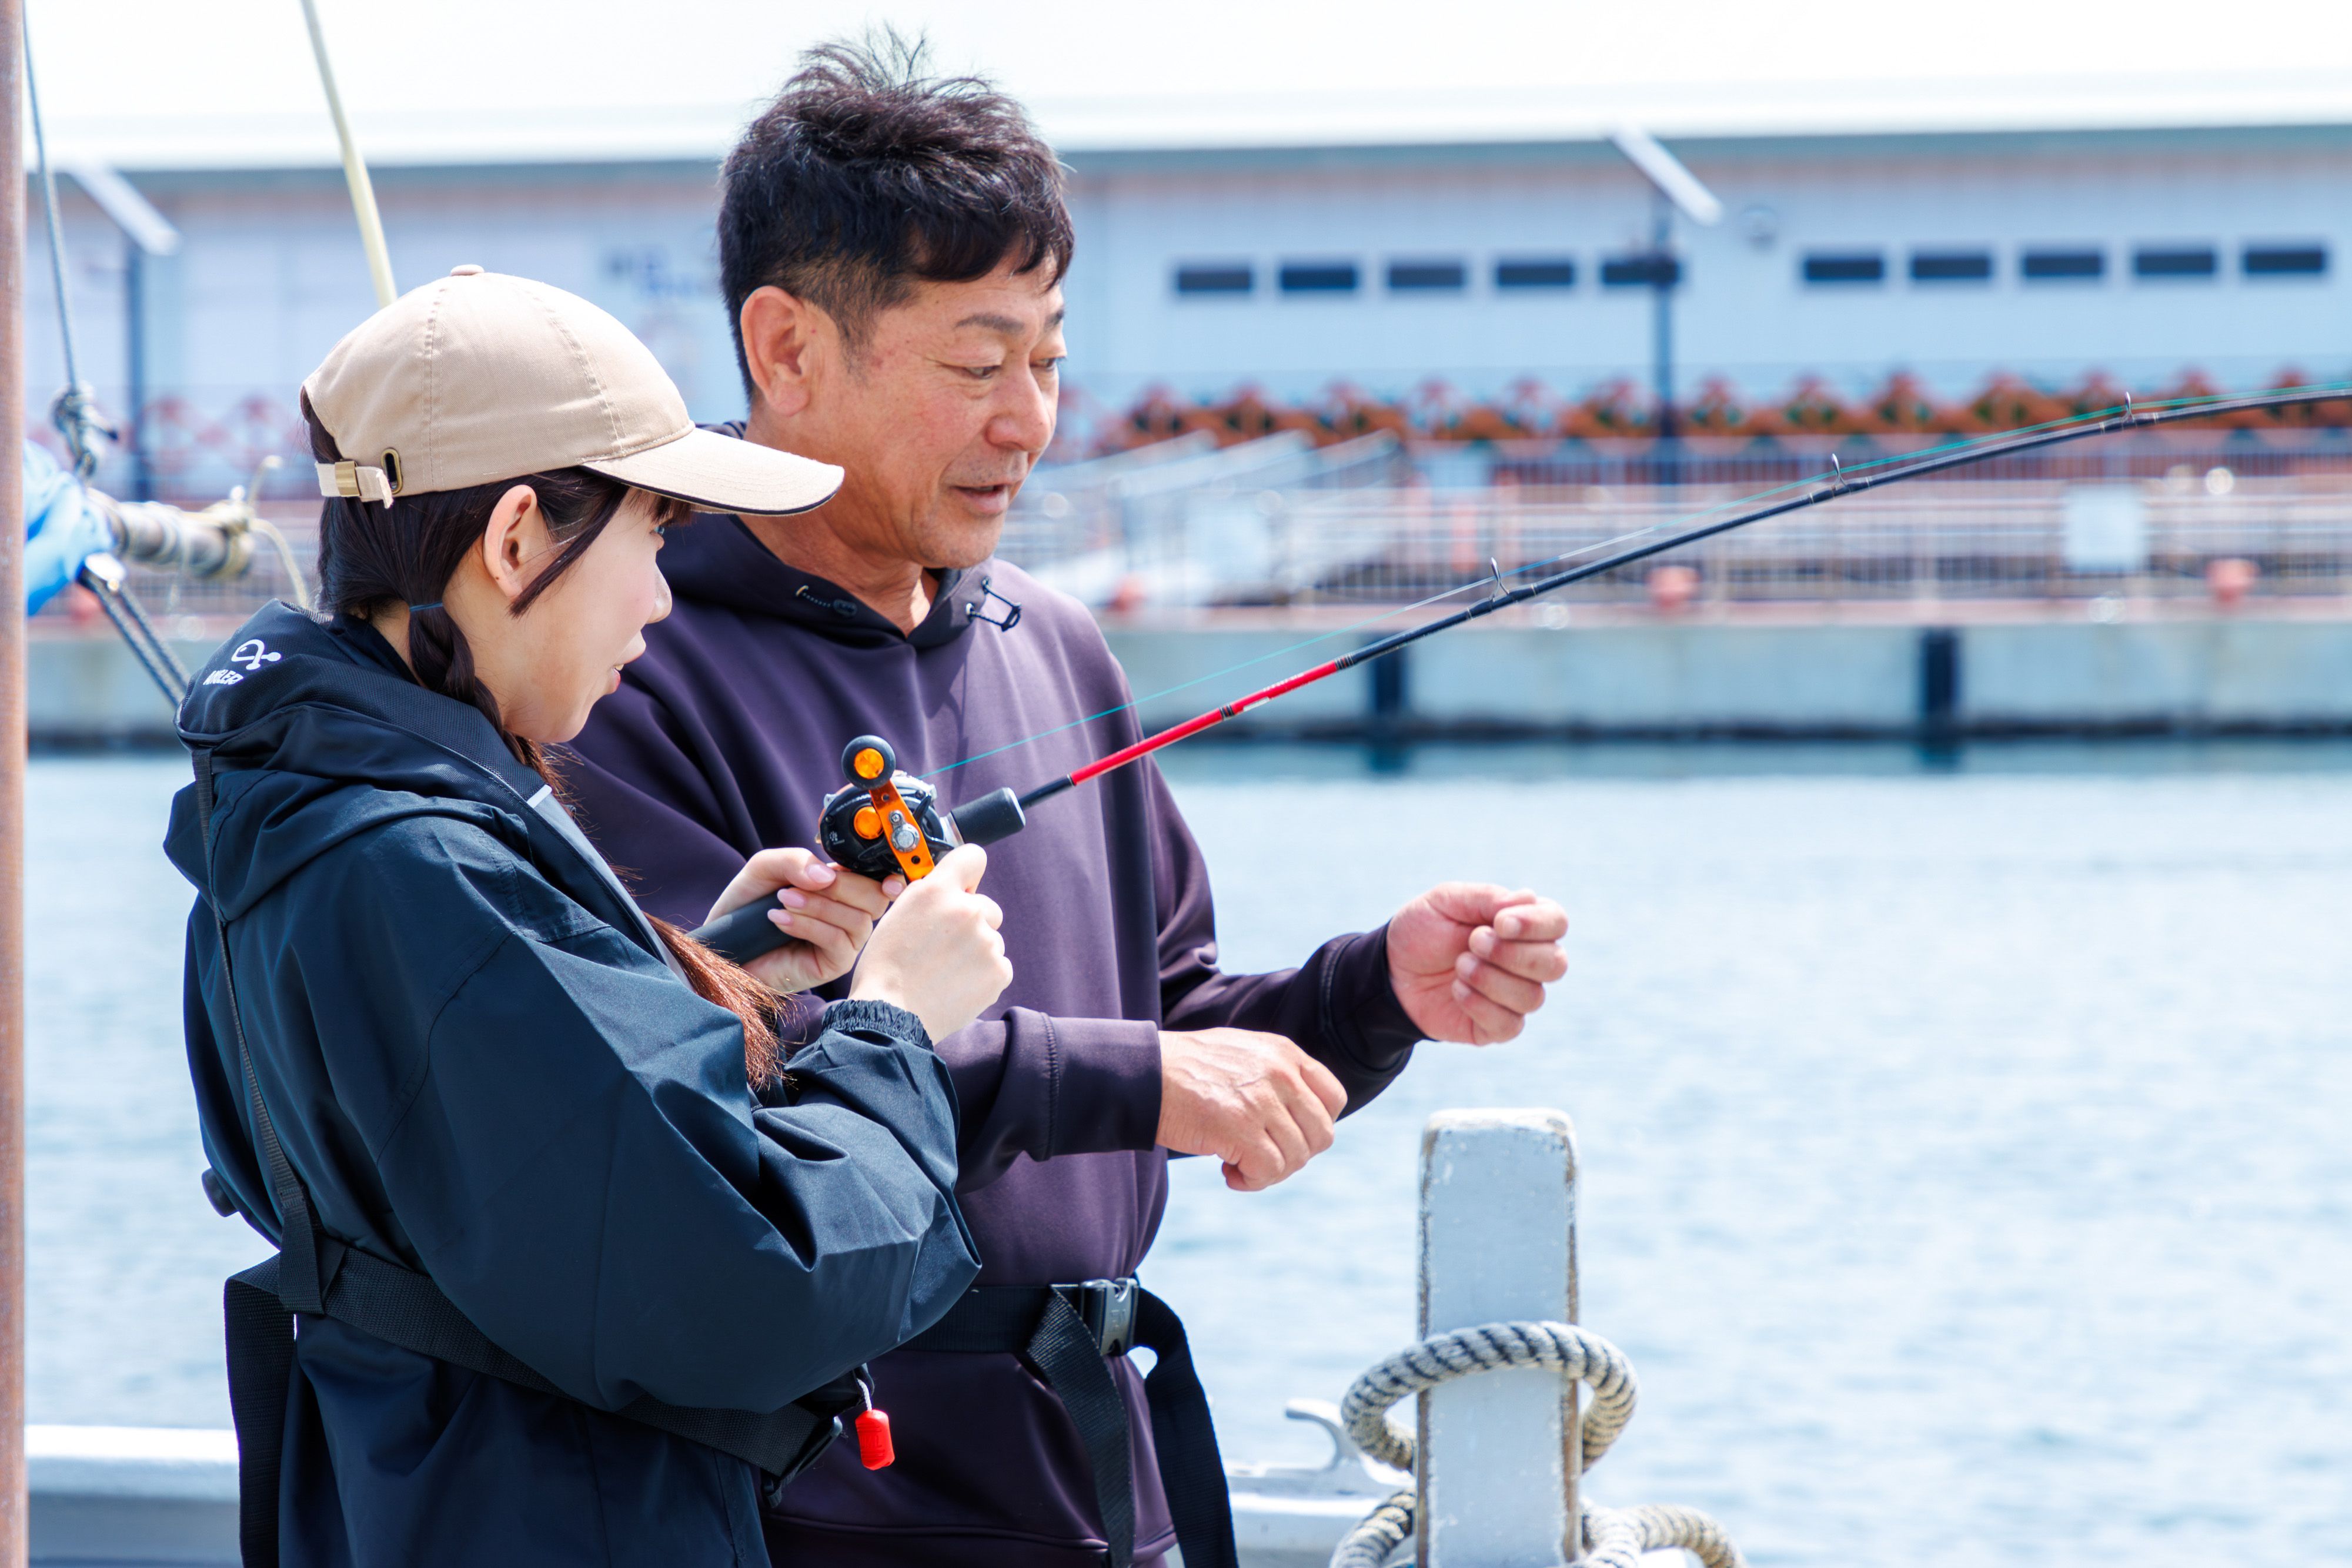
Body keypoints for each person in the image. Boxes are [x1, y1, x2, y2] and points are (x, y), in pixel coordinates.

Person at [559, 40, 1572, 1568]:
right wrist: (1147, 1078)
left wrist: (1379, 992)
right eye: (978, 363)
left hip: (1103, 1472)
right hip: (819, 1491)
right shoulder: (629, 661)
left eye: (1047, 359)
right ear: (787, 347)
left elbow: (1169, 1016)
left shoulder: (1057, 637)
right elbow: (712, 1054)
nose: (1029, 417)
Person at [168, 265, 1015, 1568]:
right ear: (516, 539)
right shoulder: (421, 865)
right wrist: (895, 1022)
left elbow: (489, 1157)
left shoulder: (301, 813)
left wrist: (711, 972)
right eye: (654, 536)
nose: (662, 600)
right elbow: (758, 1283)